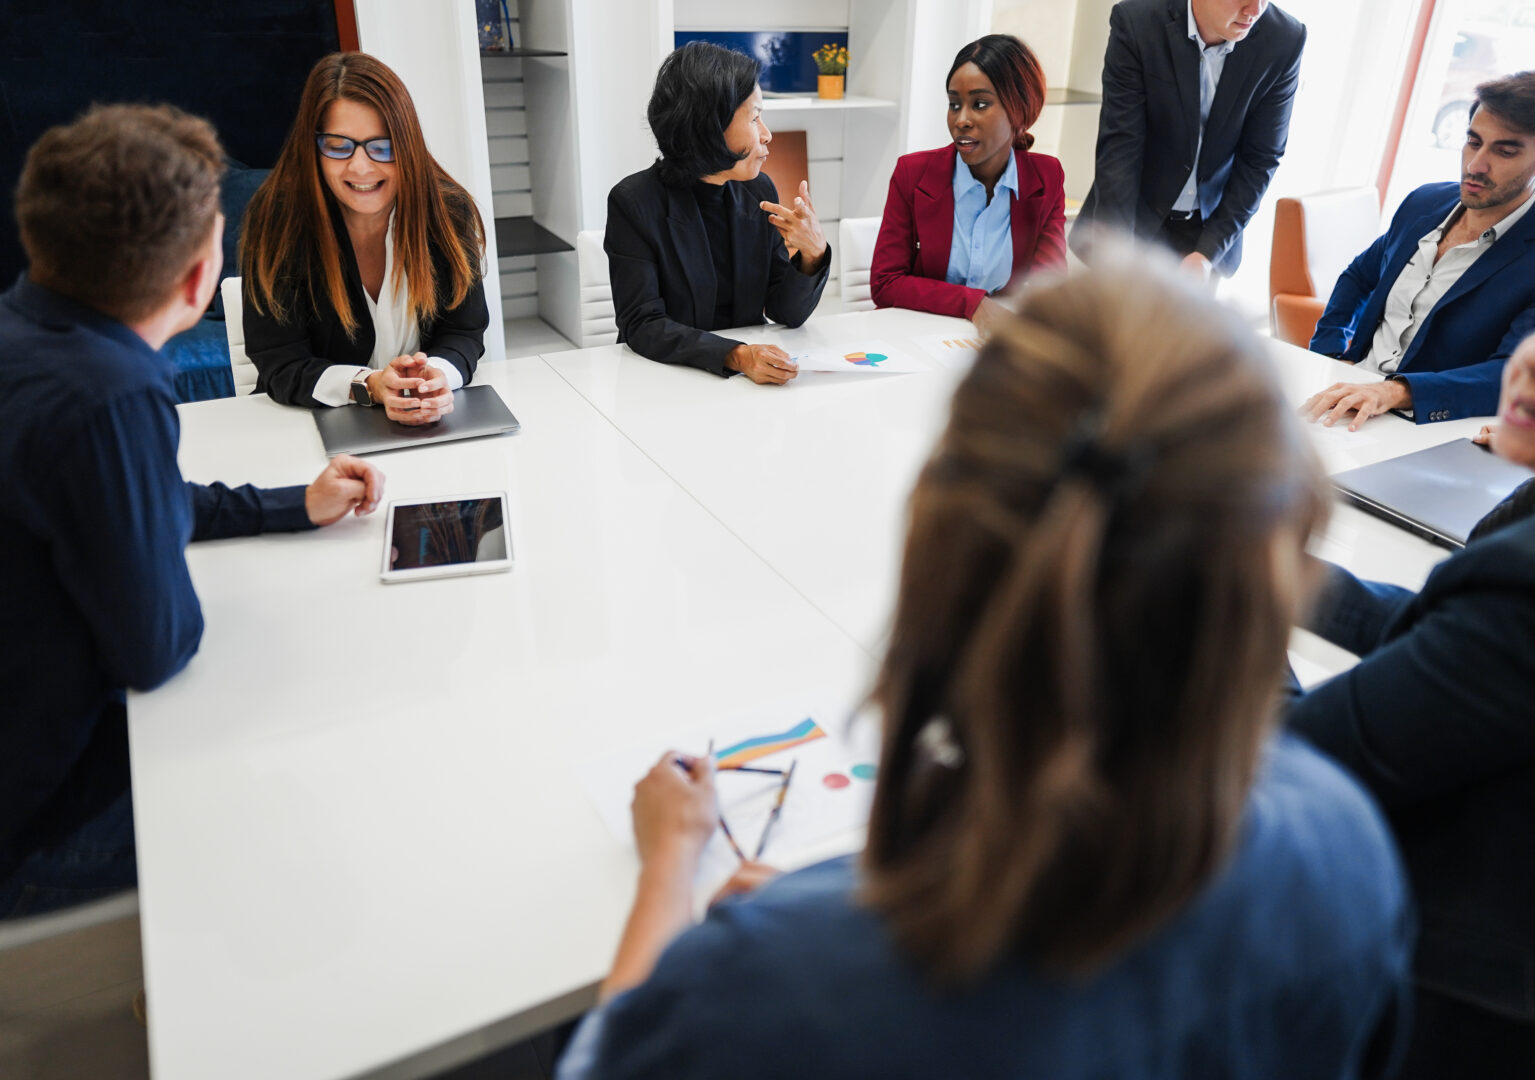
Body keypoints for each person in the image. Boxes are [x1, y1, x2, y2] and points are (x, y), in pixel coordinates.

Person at [556, 256, 1411, 1079]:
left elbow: (606, 1056)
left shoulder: (769, 989)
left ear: (936, 542)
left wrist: (675, 865)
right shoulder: (1352, 849)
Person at [0, 104, 385, 918]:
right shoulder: (111, 393)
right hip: (35, 818)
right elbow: (158, 647)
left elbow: (123, 507)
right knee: (330, 762)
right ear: (196, 276)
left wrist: (287, 505)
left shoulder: (24, 332)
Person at [1289, 227, 1535, 1077]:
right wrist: (1283, 580)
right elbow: (1453, 644)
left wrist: (1199, 617)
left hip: (1471, 1017)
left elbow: (1307, 759)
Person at [1302, 70, 1535, 429]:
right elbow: (1359, 277)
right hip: (1349, 398)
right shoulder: (1424, 201)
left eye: (1505, 151)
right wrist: (1328, 356)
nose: (1475, 165)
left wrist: (1395, 392)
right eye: (1473, 141)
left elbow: (1515, 371)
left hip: (1427, 424)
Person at [240, 52, 488, 425]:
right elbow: (281, 361)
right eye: (338, 146)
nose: (360, 167)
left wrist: (437, 377)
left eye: (382, 146)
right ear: (314, 148)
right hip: (307, 427)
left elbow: (464, 331)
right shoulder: (278, 220)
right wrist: (368, 386)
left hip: (428, 425)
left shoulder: (447, 211)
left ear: (408, 146)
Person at [606, 42, 831, 385]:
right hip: (665, 381)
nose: (767, 134)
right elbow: (642, 324)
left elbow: (785, 312)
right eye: (755, 118)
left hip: (746, 383)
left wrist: (812, 255)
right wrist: (736, 355)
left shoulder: (759, 191)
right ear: (709, 125)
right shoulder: (634, 201)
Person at [1072, 0, 1306, 279]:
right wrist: (1116, 252)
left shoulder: (1284, 40)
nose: (1255, 10)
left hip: (1209, 234)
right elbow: (1120, 147)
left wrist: (1208, 252)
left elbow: (1261, 159)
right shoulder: (1138, 21)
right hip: (1132, 218)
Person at [869, 35, 1068, 329]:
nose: (961, 119)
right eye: (954, 104)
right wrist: (972, 304)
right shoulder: (912, 173)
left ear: (1019, 110)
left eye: (980, 104)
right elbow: (885, 284)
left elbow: (1050, 287)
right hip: (920, 332)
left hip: (999, 338)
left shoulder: (1046, 176)